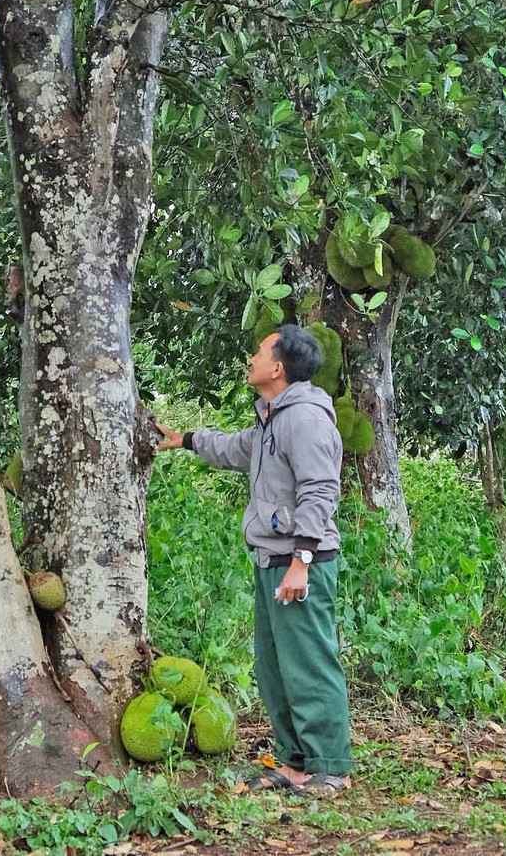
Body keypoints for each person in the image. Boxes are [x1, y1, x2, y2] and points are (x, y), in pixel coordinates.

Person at [156, 324, 353, 796]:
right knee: (274, 666)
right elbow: (234, 448)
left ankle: (329, 765)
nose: (253, 357)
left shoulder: (303, 419)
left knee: (308, 662)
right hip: (272, 557)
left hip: (299, 559)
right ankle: (294, 762)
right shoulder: (271, 419)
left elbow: (321, 490)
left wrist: (302, 560)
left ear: (279, 366)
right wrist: (183, 439)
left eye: (260, 351)